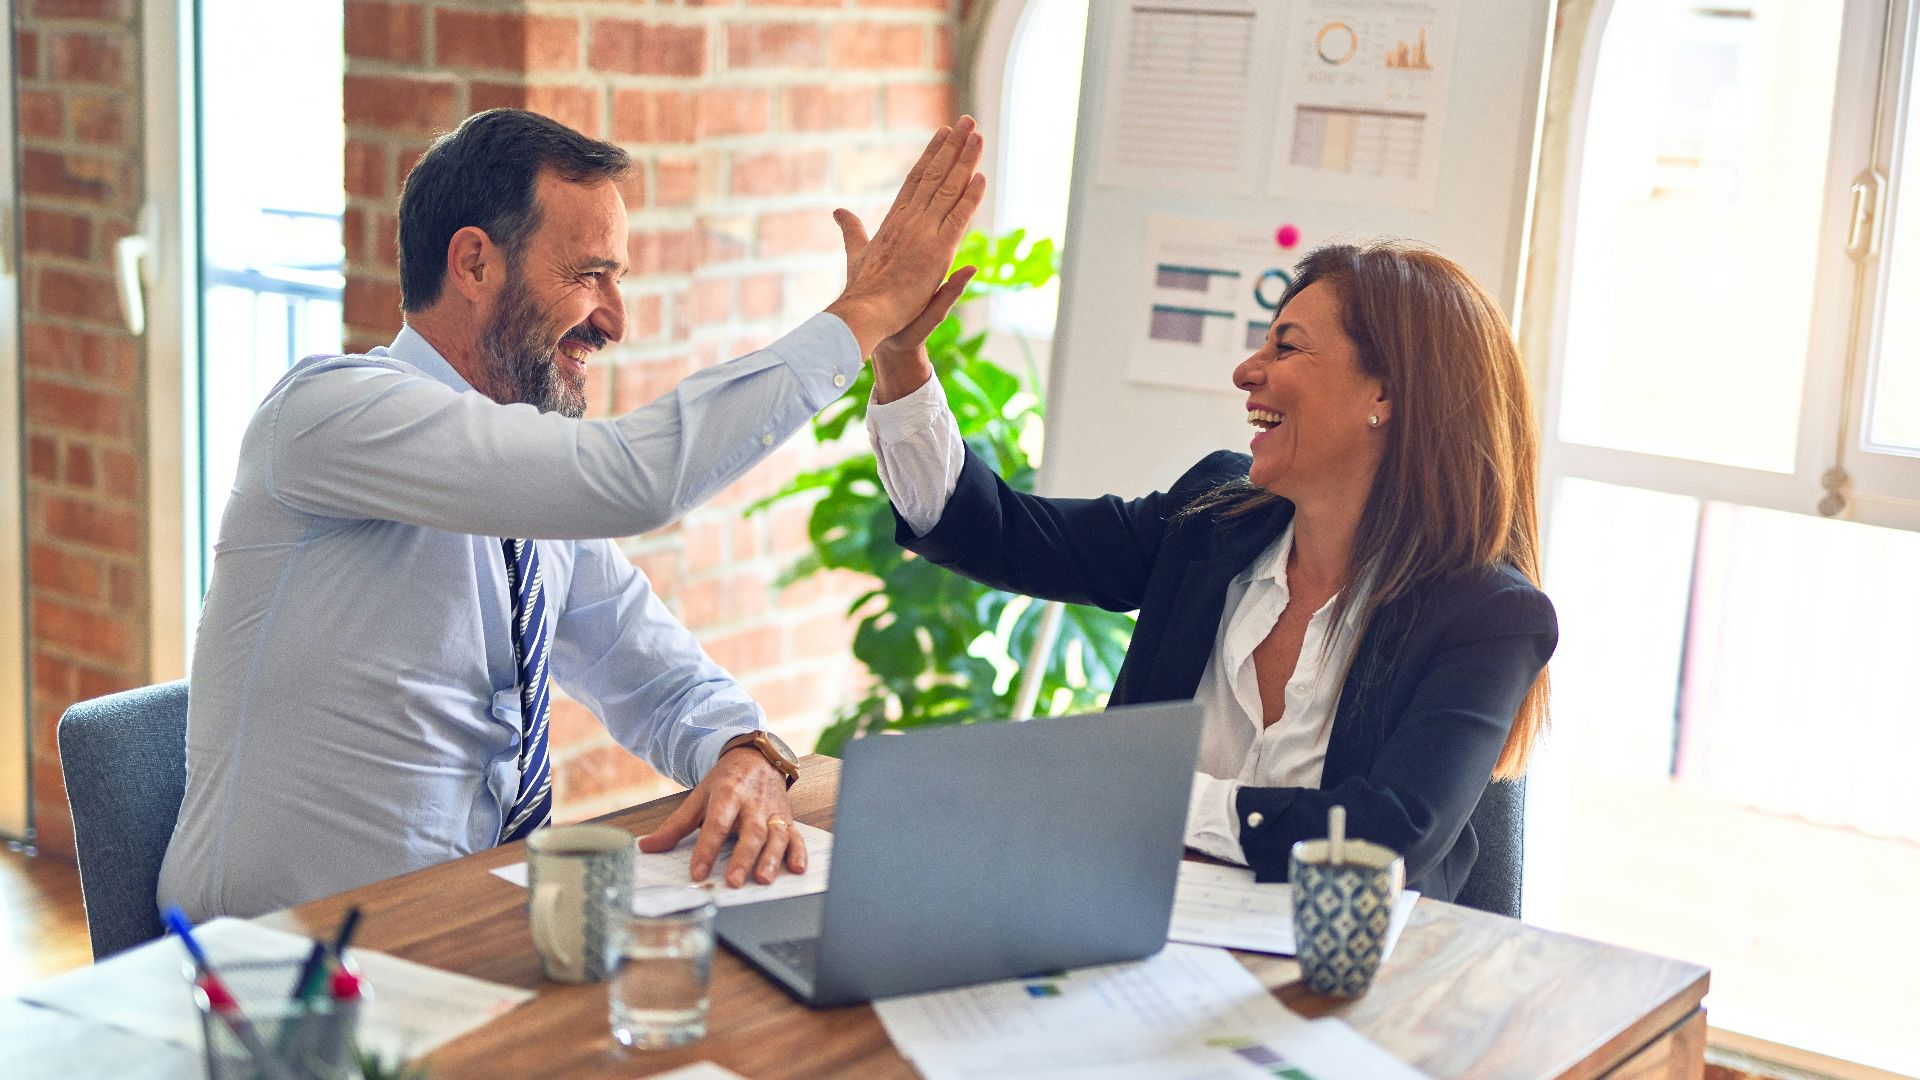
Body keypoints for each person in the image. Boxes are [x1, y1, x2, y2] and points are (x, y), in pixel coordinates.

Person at [158, 108, 985, 919]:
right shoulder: (329, 414)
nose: (615, 320)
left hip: (462, 934)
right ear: (475, 265)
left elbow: (655, 673)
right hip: (274, 975)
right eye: (591, 274)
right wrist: (865, 314)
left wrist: (744, 750)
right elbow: (636, 478)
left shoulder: (527, 495)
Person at [865, 241, 1556, 901]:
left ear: (1386, 395)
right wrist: (901, 360)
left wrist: (1150, 795)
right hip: (1133, 931)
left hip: (1347, 984)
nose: (1247, 371)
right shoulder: (1212, 521)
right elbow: (996, 532)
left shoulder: (1488, 616)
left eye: (1285, 346)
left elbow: (1382, 840)